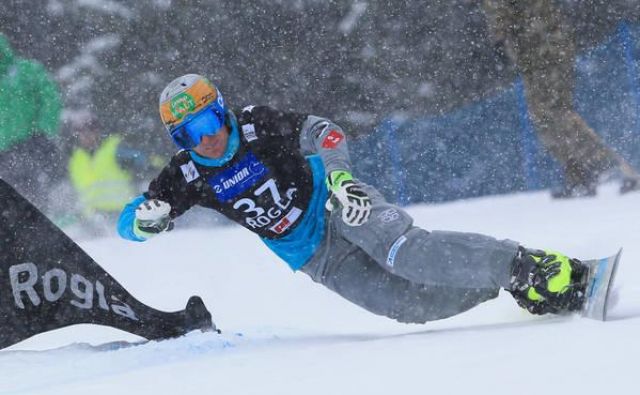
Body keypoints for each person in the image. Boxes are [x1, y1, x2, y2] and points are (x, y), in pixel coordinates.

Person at [118, 74, 588, 324]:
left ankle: (530, 266)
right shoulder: (186, 173)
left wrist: (341, 177)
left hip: (339, 206)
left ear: (221, 110)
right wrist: (144, 222)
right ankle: (507, 283)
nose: (205, 140)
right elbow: (127, 223)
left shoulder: (257, 125)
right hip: (316, 257)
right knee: (407, 306)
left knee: (406, 253)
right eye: (188, 134)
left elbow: (325, 130)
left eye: (207, 124)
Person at [482, 0, 640, 198]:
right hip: (542, 48)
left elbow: (500, 9)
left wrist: (499, 37)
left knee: (552, 111)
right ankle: (581, 176)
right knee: (546, 114)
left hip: (542, 49)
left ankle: (608, 166)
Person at [0, 33, 63, 209]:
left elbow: (50, 98)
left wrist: (44, 130)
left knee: (34, 190)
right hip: (3, 152)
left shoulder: (27, 70)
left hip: (29, 143)